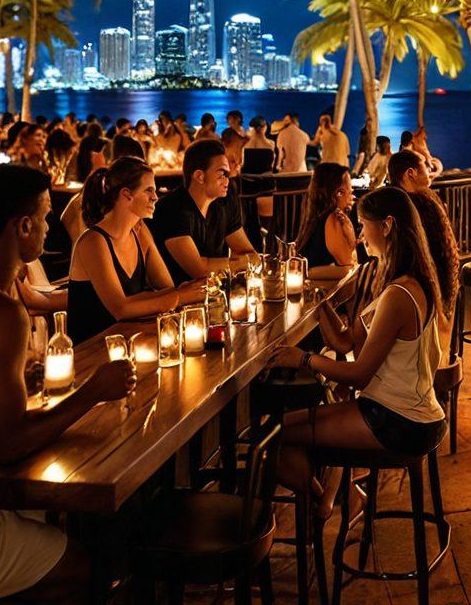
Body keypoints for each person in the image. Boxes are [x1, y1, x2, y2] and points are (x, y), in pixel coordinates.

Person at [0, 164, 135, 604]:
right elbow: (8, 443)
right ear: (23, 225)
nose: (51, 228)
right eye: (46, 217)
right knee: (83, 566)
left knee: (36, 518)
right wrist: (93, 392)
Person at [271, 185, 446, 517]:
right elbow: (344, 342)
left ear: (388, 225)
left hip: (401, 421)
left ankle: (322, 505)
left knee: (274, 438)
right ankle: (329, 501)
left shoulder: (400, 293)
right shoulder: (392, 278)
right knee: (277, 432)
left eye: (364, 226)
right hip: (397, 409)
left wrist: (305, 359)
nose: (361, 237)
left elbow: (360, 374)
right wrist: (318, 301)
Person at [67, 157, 202, 343]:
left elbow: (166, 288)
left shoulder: (140, 232)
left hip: (128, 340)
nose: (155, 197)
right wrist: (180, 296)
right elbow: (120, 309)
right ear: (126, 195)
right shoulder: (93, 241)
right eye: (149, 190)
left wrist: (187, 290)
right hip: (92, 351)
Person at [150, 139, 256, 284]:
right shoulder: (171, 209)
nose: (228, 180)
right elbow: (198, 269)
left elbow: (249, 253)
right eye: (222, 174)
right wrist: (241, 263)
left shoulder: (225, 200)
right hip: (179, 299)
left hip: (217, 294)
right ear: (200, 176)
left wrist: (243, 261)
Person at [388, 149, 459, 355]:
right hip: (433, 292)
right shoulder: (421, 203)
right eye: (425, 167)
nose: (430, 172)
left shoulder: (397, 203)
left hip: (415, 293)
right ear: (410, 173)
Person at [296, 162, 357, 278]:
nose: (351, 195)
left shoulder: (316, 215)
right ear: (338, 193)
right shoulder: (333, 218)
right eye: (349, 190)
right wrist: (351, 235)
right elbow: (349, 264)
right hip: (320, 289)